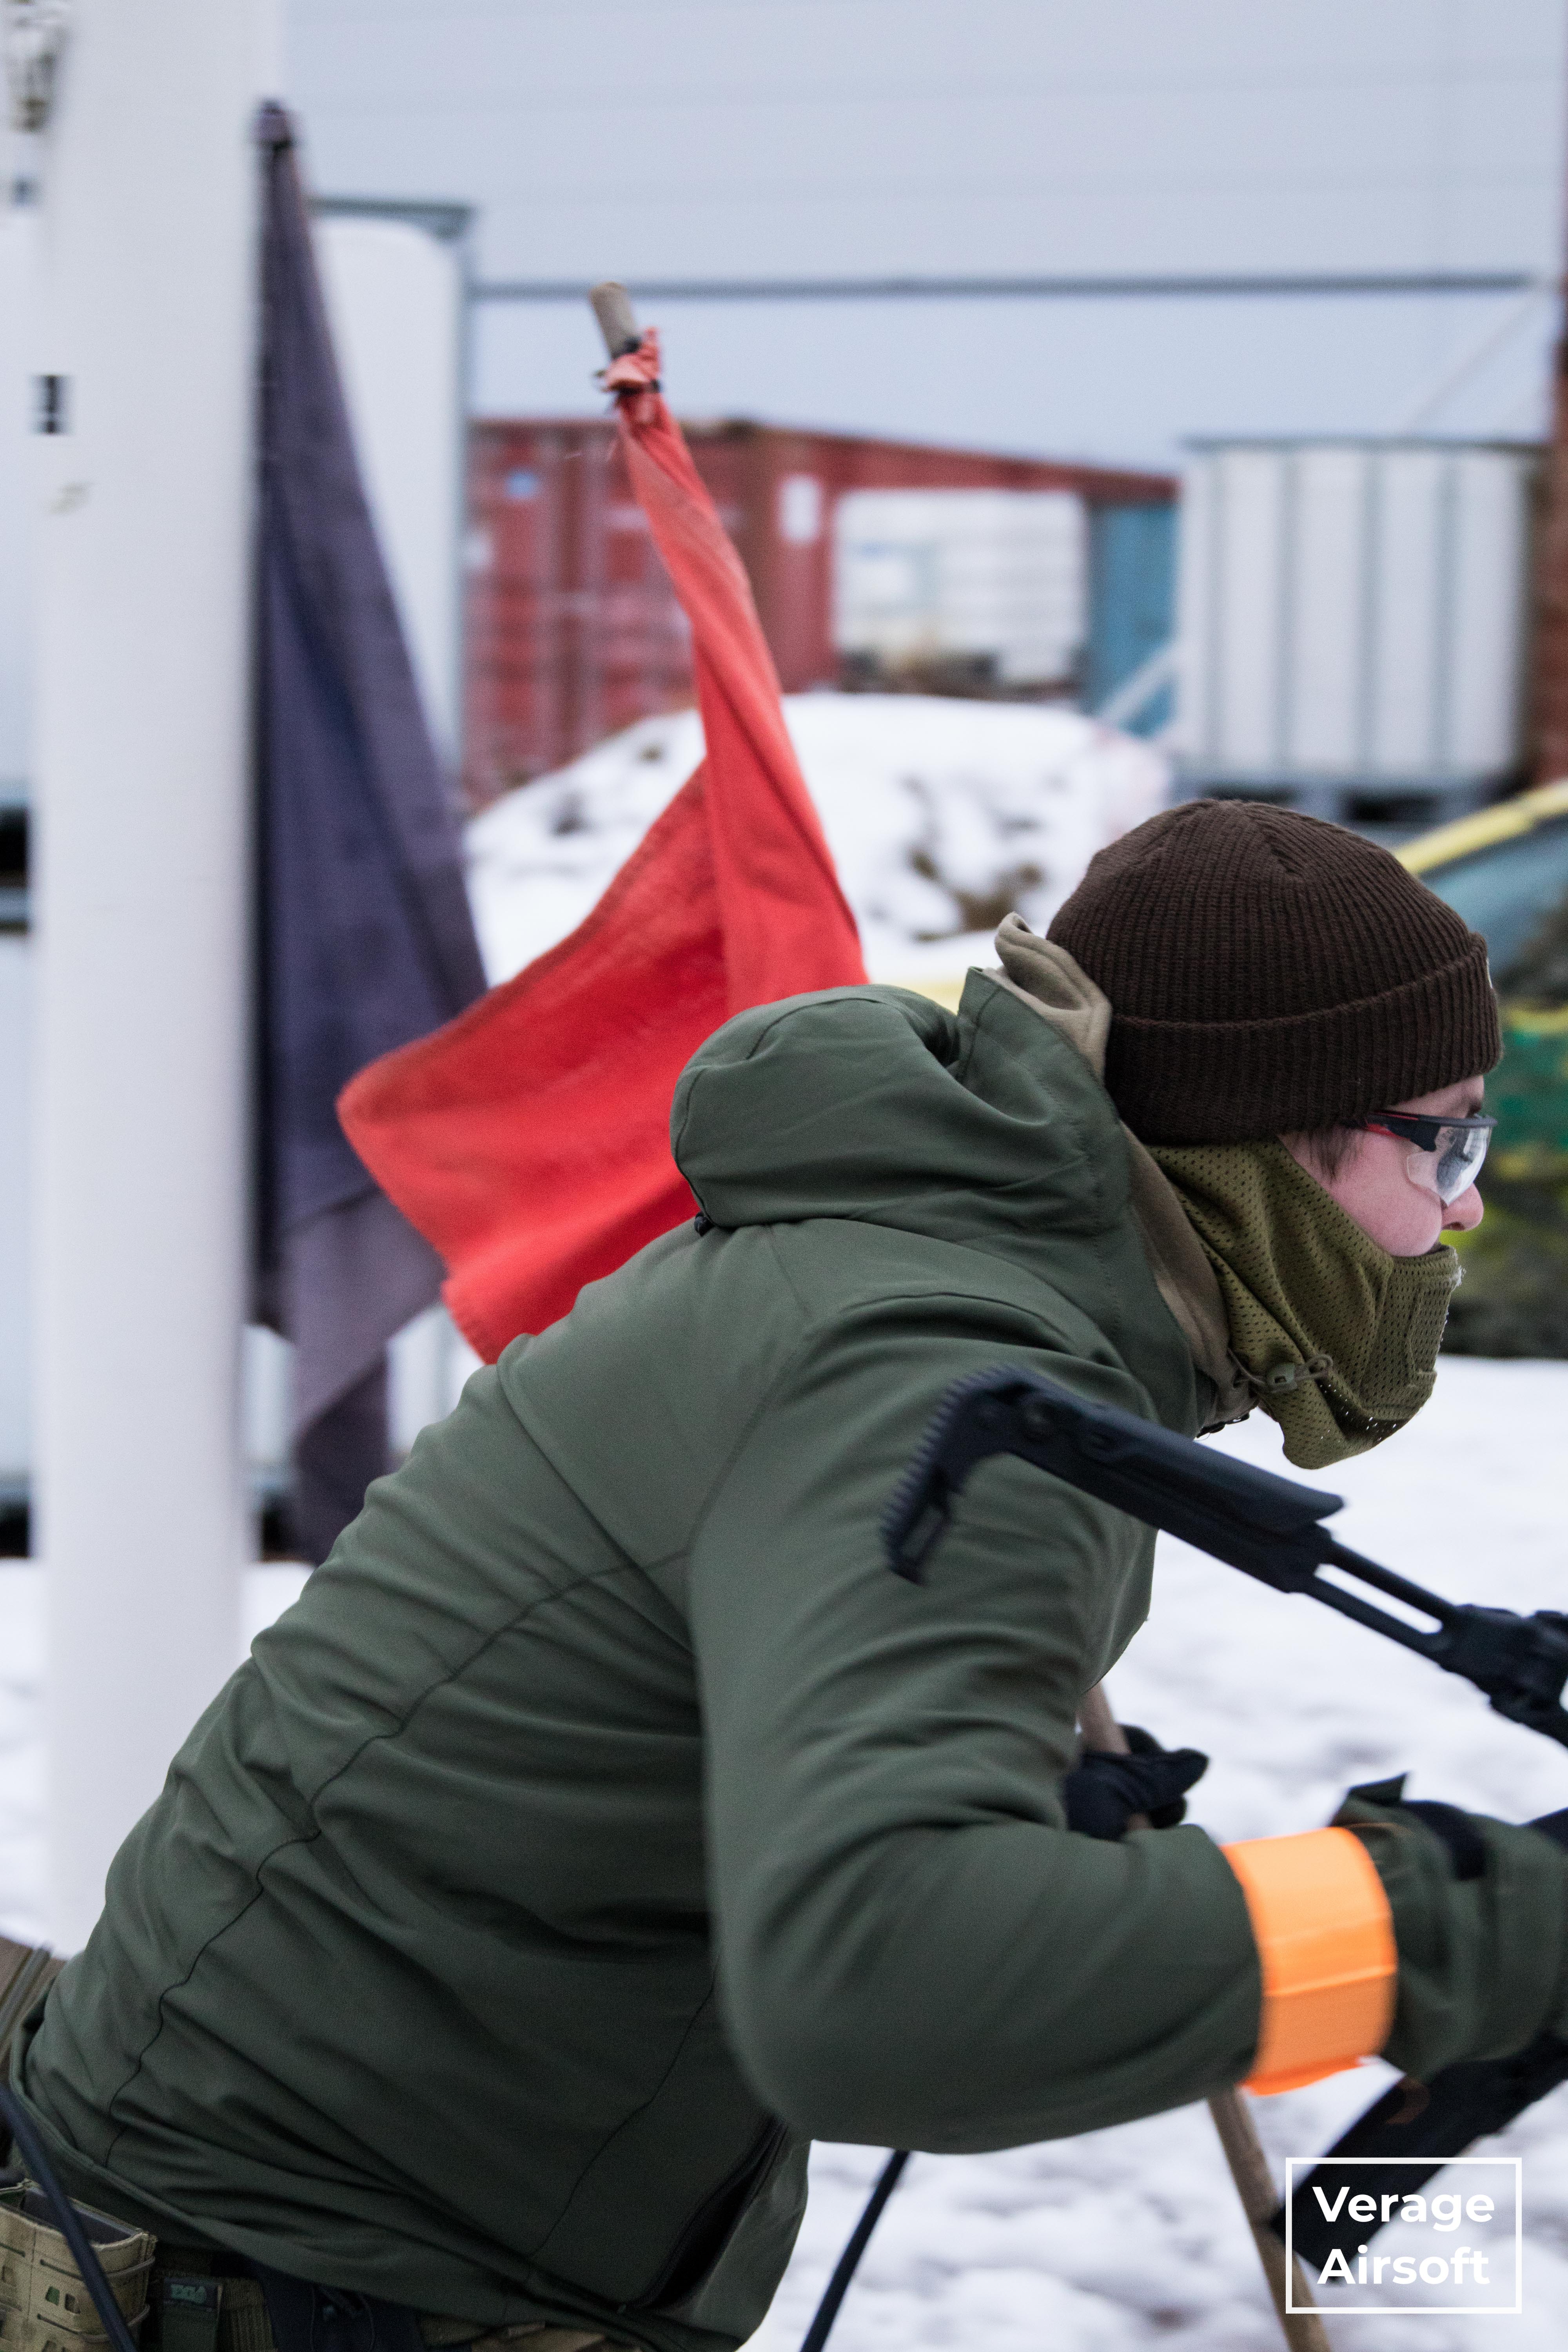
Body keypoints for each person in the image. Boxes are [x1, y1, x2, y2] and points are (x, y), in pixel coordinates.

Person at [7, 800, 1561, 2352]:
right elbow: (879, 1983)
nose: (1469, 1203)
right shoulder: (941, 1370)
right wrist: (1451, 1929)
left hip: (295, 2231)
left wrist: (1005, 1812)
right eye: (1449, 1139)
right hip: (282, 2283)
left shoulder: (926, 1276)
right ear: (1271, 1144)